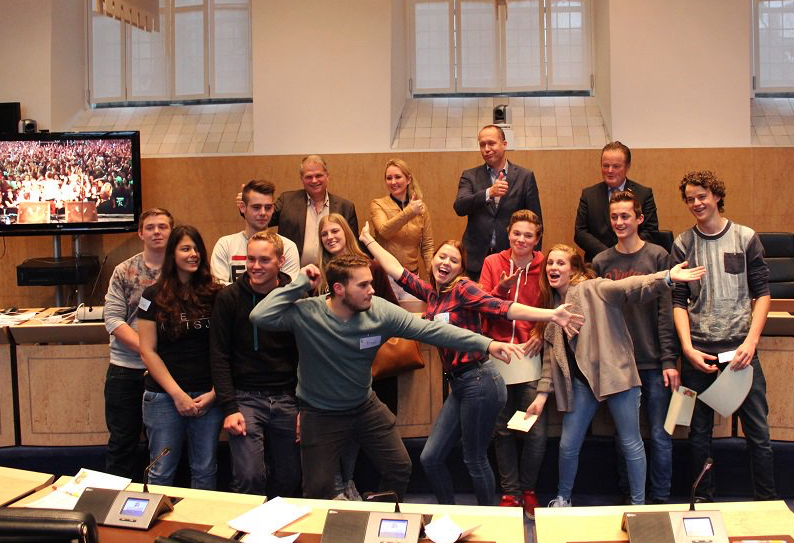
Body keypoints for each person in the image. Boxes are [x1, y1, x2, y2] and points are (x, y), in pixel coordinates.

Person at [249, 255, 526, 501]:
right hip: (320, 412)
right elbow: (260, 315)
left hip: (363, 405)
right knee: (318, 489)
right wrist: (299, 284)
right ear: (339, 289)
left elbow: (431, 330)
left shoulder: (379, 310)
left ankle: (378, 523)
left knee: (399, 467)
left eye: (370, 283)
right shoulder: (308, 313)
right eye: (363, 285)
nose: (372, 290)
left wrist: (486, 344)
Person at [360, 223, 585, 507]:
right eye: (442, 257)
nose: (446, 263)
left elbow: (503, 307)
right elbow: (396, 270)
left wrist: (550, 315)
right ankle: (449, 512)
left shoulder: (463, 289)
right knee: (430, 457)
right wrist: (368, 240)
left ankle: (489, 516)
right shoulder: (432, 294)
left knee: (474, 458)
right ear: (433, 261)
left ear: (460, 269)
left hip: (480, 380)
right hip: (459, 384)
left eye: (454, 260)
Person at [526, 244, 704, 508]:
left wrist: (666, 277)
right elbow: (552, 357)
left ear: (574, 270)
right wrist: (541, 396)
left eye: (560, 263)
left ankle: (638, 505)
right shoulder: (551, 307)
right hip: (582, 383)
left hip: (617, 377)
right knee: (567, 445)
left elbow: (629, 287)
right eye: (550, 263)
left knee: (631, 442)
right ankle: (563, 499)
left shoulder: (593, 288)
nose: (553, 267)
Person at [671, 170, 775, 502]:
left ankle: (766, 502)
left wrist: (751, 342)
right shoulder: (683, 244)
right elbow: (678, 302)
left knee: (758, 434)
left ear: (716, 196)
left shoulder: (746, 238)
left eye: (702, 196)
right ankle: (702, 499)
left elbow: (762, 295)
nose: (696, 203)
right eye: (690, 199)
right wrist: (687, 348)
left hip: (741, 354)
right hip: (699, 355)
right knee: (698, 434)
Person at [592, 190, 678, 504]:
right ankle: (630, 496)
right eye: (614, 216)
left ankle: (660, 499)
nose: (619, 222)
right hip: (619, 364)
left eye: (625, 216)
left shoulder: (658, 257)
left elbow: (666, 311)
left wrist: (669, 360)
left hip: (654, 361)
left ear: (639, 219)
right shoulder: (601, 262)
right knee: (625, 437)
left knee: (659, 434)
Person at [210, 230, 300, 497]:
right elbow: (219, 355)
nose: (255, 266)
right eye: (251, 259)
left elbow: (307, 357)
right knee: (250, 477)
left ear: (280, 261)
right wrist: (229, 408)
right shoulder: (229, 298)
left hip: (287, 398)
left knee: (290, 479)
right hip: (245, 398)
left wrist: (305, 408)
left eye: (264, 260)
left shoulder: (295, 298)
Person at [316, 213, 399, 500]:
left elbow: (390, 310)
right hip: (334, 370)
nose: (330, 237)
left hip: (373, 366)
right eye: (324, 233)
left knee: (369, 436)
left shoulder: (370, 267)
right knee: (337, 432)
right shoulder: (320, 275)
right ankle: (341, 487)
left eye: (335, 231)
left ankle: (358, 486)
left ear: (346, 233)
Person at [136, 225, 223, 489]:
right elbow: (147, 350)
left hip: (208, 397)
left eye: (197, 249)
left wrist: (215, 393)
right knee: (161, 472)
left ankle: (201, 517)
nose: (193, 254)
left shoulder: (217, 294)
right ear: (172, 254)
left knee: (205, 470)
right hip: (164, 398)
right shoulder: (151, 296)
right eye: (185, 249)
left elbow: (227, 349)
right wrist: (178, 395)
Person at [477, 209, 547, 517]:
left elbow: (555, 303)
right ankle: (510, 492)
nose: (521, 239)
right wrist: (501, 290)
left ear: (537, 238)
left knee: (535, 430)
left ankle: (528, 489)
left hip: (530, 356)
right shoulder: (492, 263)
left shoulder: (545, 265)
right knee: (502, 428)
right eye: (516, 233)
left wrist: (542, 331)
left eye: (528, 235)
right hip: (500, 355)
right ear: (508, 233)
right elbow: (481, 305)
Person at [102, 207, 173, 480]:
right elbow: (113, 320)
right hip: (126, 371)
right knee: (122, 443)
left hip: (170, 371)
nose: (157, 232)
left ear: (171, 232)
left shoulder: (182, 269)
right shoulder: (124, 271)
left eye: (163, 227)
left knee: (166, 448)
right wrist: (148, 350)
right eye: (150, 227)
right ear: (141, 233)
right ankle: (116, 500)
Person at [454, 125, 542, 280]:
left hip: (513, 259)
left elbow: (536, 223)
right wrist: (489, 193)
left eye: (491, 143)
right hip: (475, 261)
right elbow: (460, 206)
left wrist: (534, 260)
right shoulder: (470, 176)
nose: (486, 149)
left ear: (504, 144)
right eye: (482, 145)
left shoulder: (525, 177)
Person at [574, 141, 659, 261]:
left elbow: (650, 231)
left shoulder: (643, 194)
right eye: (605, 166)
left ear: (627, 166)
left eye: (616, 166)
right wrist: (609, 255)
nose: (610, 170)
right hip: (598, 262)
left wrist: (629, 252)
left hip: (635, 261)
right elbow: (580, 233)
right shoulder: (589, 195)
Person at [268, 155, 359, 266]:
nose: (314, 180)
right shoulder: (286, 200)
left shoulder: (345, 207)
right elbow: (263, 219)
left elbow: (353, 245)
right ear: (302, 179)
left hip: (332, 272)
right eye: (309, 177)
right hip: (292, 272)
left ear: (327, 176)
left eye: (318, 175)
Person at [212, 179, 300, 284]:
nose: (263, 213)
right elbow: (218, 286)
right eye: (256, 207)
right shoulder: (225, 244)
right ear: (242, 207)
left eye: (268, 207)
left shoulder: (288, 246)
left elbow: (289, 289)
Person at [369, 158, 435, 287]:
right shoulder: (378, 204)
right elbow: (384, 231)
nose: (393, 182)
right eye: (389, 178)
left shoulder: (421, 208)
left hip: (411, 276)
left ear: (408, 179)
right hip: (385, 277)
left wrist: (432, 276)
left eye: (398, 177)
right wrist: (410, 211)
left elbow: (427, 246)